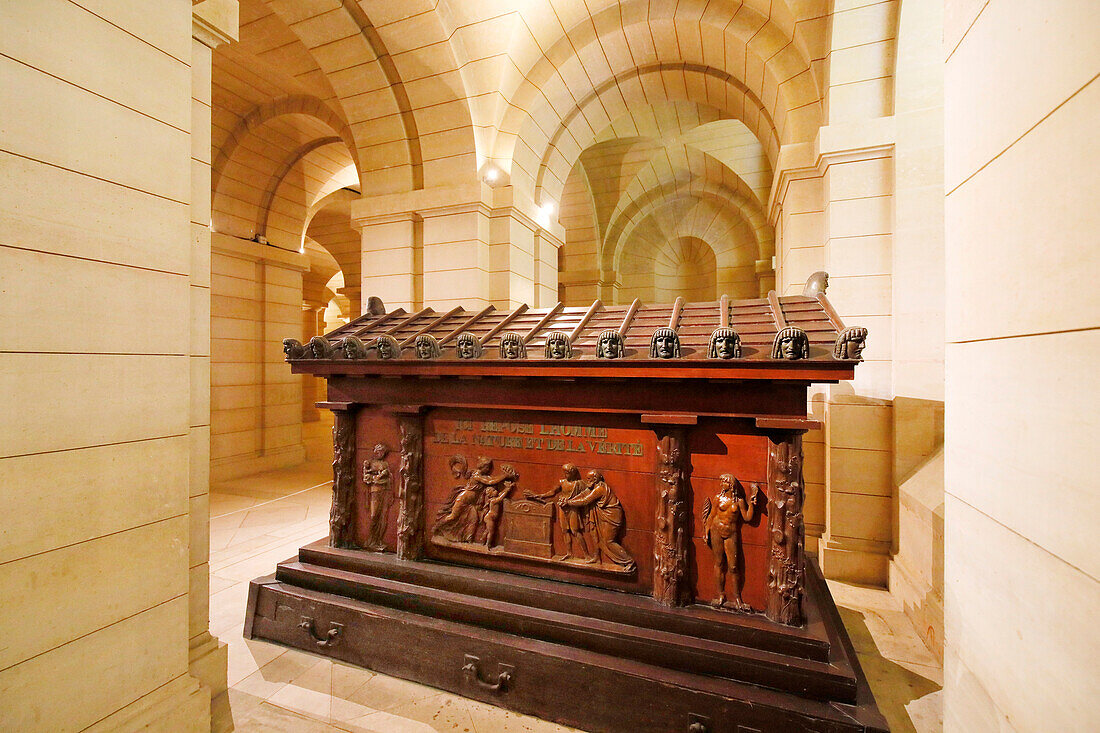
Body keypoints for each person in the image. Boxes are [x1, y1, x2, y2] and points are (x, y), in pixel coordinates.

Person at [702, 474, 760, 611]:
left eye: (724, 482)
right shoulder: (718, 498)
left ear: (731, 484)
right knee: (719, 563)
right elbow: (711, 516)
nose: (722, 483)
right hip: (716, 530)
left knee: (733, 567)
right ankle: (721, 595)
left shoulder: (739, 501)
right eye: (721, 481)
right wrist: (706, 531)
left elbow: (747, 517)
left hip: (731, 534)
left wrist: (752, 503)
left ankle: (737, 598)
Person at [563, 470, 635, 570]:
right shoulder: (594, 487)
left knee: (609, 541)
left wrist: (569, 503)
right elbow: (583, 494)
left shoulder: (600, 489)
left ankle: (628, 561)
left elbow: (585, 500)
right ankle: (597, 557)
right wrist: (569, 500)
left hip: (611, 516)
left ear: (595, 479)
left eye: (589, 479)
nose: (587, 481)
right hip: (603, 515)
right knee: (596, 535)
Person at [525, 464, 594, 562]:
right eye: (565, 472)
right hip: (562, 508)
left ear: (573, 473)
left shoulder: (579, 484)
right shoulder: (562, 482)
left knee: (575, 531)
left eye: (567, 473)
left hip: (573, 509)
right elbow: (553, 492)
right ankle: (569, 553)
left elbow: (588, 493)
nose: (566, 475)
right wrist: (540, 495)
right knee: (565, 531)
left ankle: (586, 555)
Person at [361, 443, 393, 550]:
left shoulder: (385, 464)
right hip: (374, 491)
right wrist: (377, 477)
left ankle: (378, 540)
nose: (380, 454)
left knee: (383, 517)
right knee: (374, 515)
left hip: (384, 491)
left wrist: (385, 476)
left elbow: (389, 479)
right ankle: (371, 540)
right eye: (378, 451)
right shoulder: (370, 463)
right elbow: (366, 478)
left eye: (382, 452)